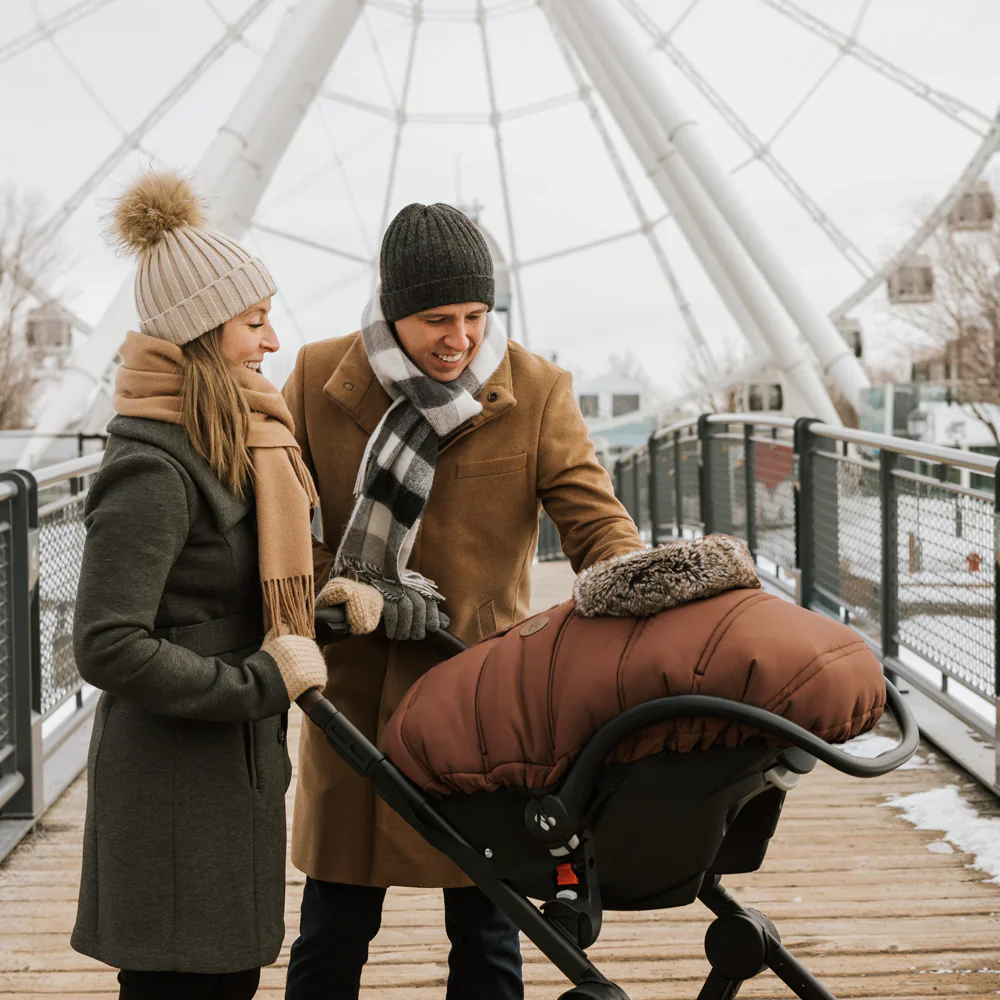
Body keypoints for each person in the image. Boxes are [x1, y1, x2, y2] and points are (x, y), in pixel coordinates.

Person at [282, 202, 647, 999]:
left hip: (480, 699)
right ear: (390, 309)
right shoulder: (314, 376)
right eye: (436, 318)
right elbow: (274, 527)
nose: (461, 339)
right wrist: (345, 588)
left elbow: (595, 523)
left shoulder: (538, 387)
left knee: (488, 931)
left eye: (477, 315)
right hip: (353, 699)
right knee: (334, 927)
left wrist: (640, 590)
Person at [71, 171, 328, 1000]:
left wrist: (332, 611)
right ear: (203, 331)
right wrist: (260, 681)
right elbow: (107, 644)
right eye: (254, 322)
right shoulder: (152, 467)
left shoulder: (234, 436)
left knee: (224, 981)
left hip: (227, 768)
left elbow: (240, 593)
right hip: (175, 788)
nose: (273, 341)